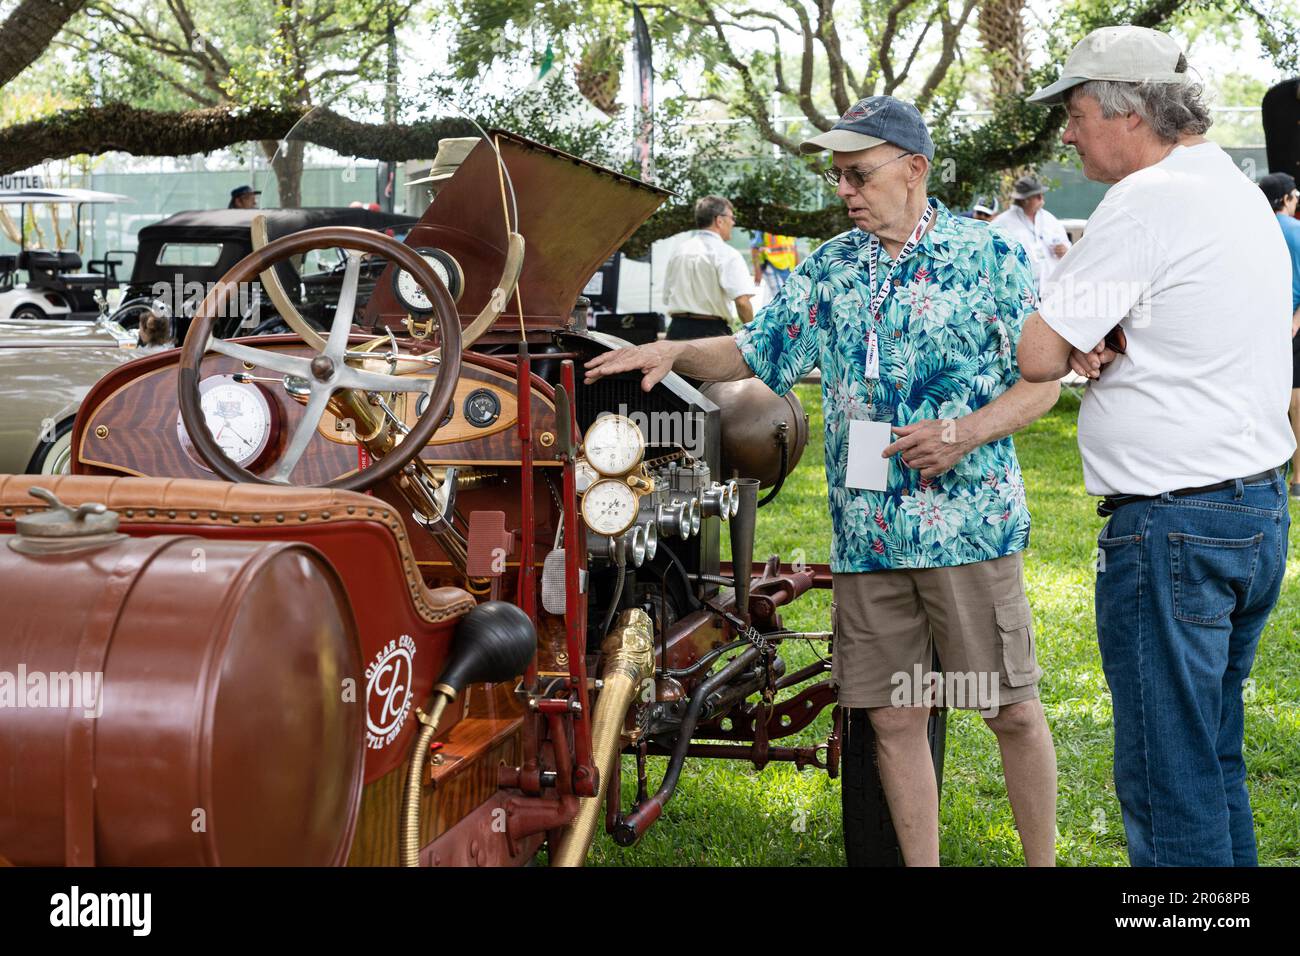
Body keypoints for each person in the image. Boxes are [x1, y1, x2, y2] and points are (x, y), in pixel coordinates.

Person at [587, 95, 1061, 867]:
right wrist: (673, 353)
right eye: (838, 175)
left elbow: (1044, 381)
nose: (844, 190)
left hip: (966, 528)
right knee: (895, 719)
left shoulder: (991, 257)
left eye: (859, 174)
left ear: (914, 169)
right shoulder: (833, 265)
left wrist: (964, 432)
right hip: (867, 537)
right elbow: (753, 351)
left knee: (1007, 710)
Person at [1017, 25, 1295, 867]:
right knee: (1210, 758)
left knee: (1166, 776)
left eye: (1073, 112)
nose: (1067, 133)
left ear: (1124, 112)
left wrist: (1079, 336)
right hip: (1250, 507)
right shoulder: (1233, 187)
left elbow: (1036, 350)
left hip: (1174, 524)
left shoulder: (1146, 199)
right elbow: (1191, 324)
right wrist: (1111, 336)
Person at [1258, 172, 1300, 497]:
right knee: (1296, 401)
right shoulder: (1296, 230)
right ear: (1285, 199)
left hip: (1257, 324)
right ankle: (1298, 478)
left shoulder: (1250, 229)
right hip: (1292, 325)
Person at [662, 196, 754, 340]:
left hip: (676, 331)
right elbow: (742, 302)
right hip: (710, 334)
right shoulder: (727, 254)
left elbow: (667, 297)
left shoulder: (679, 252)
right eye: (732, 217)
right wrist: (754, 335)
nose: (733, 222)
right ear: (719, 220)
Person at [992, 176, 1071, 287]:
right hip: (1020, 289)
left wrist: (1065, 249)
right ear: (1025, 199)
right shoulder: (1002, 223)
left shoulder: (1050, 219)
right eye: (1037, 196)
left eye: (1042, 195)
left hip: (1051, 286)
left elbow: (1066, 245)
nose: (1042, 199)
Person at [750, 230, 799, 297]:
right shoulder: (763, 225)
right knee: (781, 297)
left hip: (789, 268)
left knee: (788, 296)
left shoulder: (790, 223)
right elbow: (755, 248)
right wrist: (757, 271)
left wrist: (798, 269)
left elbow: (794, 247)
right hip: (772, 264)